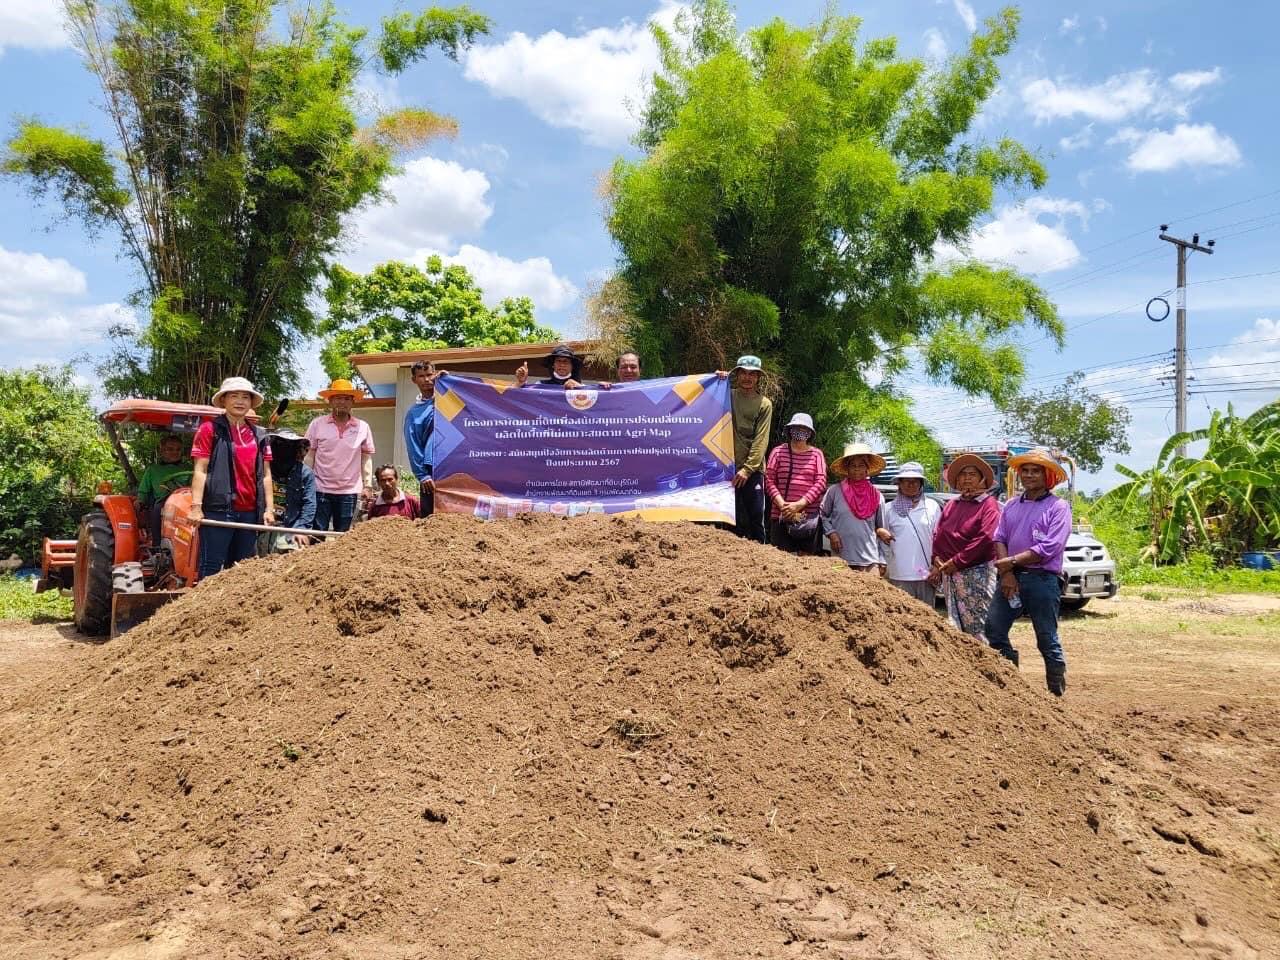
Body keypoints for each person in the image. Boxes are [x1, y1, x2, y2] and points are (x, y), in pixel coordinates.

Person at [984, 448, 1073, 697]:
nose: (1030, 475)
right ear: (1020, 475)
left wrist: (1010, 562)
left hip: (1043, 579)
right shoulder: (1011, 505)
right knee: (994, 629)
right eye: (1026, 470)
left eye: (1036, 471)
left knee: (1046, 636)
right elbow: (999, 537)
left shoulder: (1058, 507)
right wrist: (1008, 572)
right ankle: (1012, 685)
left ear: (1048, 476)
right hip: (1011, 577)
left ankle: (1056, 692)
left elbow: (1050, 546)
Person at [189, 377, 274, 578]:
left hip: (249, 513)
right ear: (224, 400)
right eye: (234, 396)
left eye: (245, 397)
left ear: (251, 403)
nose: (240, 401)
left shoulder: (259, 435)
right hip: (218, 512)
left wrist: (269, 509)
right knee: (210, 569)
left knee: (241, 571)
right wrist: (196, 507)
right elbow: (200, 469)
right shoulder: (210, 430)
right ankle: (205, 610)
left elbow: (266, 476)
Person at [929, 454, 1001, 641]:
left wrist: (958, 561)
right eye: (963, 474)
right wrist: (936, 558)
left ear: (982, 479)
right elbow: (939, 533)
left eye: (972, 474)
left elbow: (985, 538)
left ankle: (986, 665)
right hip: (949, 571)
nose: (967, 478)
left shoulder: (988, 504)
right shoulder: (952, 504)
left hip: (975, 572)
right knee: (956, 623)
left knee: (978, 623)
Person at [305, 378, 375, 533]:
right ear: (330, 401)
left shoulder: (363, 427)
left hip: (349, 491)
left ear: (353, 402)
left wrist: (368, 485)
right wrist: (306, 481)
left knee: (342, 534)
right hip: (320, 489)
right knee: (317, 533)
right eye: (337, 398)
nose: (342, 402)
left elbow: (366, 457)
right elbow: (310, 455)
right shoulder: (317, 424)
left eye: (346, 399)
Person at [878, 461, 941, 603]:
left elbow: (940, 539)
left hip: (926, 575)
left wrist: (937, 567)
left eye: (915, 481)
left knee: (927, 618)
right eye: (906, 481)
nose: (911, 484)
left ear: (921, 484)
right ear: (899, 483)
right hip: (899, 574)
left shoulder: (932, 506)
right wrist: (882, 563)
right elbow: (882, 543)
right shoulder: (888, 509)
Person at [764, 413, 827, 554]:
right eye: (796, 427)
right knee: (780, 562)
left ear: (810, 433)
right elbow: (769, 480)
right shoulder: (778, 452)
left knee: (808, 564)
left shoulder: (817, 454)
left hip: (808, 518)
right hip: (781, 517)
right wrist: (783, 506)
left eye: (804, 429)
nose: (800, 431)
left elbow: (821, 482)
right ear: (790, 430)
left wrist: (799, 504)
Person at [820, 443, 887, 573]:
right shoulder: (834, 491)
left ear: (867, 468)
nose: (857, 469)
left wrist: (882, 560)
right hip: (840, 560)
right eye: (853, 465)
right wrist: (831, 533)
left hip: (870, 561)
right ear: (847, 468)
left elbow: (882, 530)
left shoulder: (877, 496)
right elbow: (822, 515)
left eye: (861, 465)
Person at [730, 355, 772, 542]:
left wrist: (747, 469)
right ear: (737, 375)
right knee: (731, 519)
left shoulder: (764, 404)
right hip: (726, 467)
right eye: (743, 373)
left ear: (758, 377)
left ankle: (761, 563)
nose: (747, 378)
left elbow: (761, 440)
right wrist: (716, 380)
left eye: (752, 374)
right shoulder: (726, 394)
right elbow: (702, 397)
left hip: (752, 470)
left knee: (755, 518)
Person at [261, 429, 315, 553]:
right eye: (279, 444)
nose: (284, 449)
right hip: (262, 526)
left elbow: (309, 504)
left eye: (290, 445)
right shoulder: (262, 470)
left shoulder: (305, 474)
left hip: (291, 528)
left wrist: (301, 530)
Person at [137, 433, 192, 545]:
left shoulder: (189, 468)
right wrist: (140, 501)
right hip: (165, 500)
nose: (174, 452)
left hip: (188, 500)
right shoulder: (153, 470)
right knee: (157, 509)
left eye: (178, 449)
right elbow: (143, 491)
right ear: (162, 451)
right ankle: (157, 545)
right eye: (170, 449)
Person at [403, 359, 438, 515]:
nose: (427, 379)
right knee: (431, 516)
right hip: (431, 470)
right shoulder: (414, 413)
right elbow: (413, 445)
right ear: (414, 380)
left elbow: (480, 399)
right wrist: (422, 475)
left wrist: (450, 384)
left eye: (430, 374)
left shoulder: (451, 399)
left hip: (458, 464)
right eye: (421, 376)